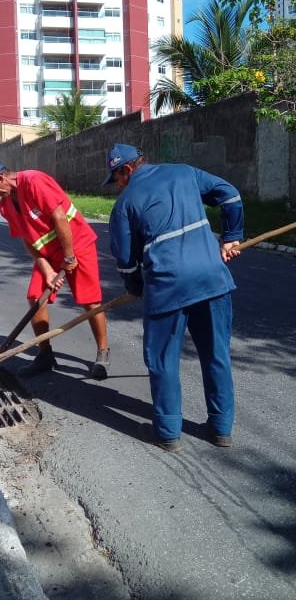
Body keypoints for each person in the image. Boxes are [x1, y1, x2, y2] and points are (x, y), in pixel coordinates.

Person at [104, 143, 244, 453]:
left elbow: (126, 261)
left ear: (126, 170)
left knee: (162, 359)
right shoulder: (184, 173)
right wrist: (233, 235)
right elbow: (230, 194)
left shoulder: (124, 205)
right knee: (216, 353)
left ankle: (168, 433)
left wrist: (135, 286)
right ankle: (221, 429)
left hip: (167, 287)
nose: (117, 186)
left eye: (116, 179)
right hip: (211, 278)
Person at [0, 160, 110, 379]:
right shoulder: (5, 205)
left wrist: (69, 257)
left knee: (89, 300)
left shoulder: (34, 181)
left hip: (77, 244)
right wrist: (46, 268)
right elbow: (27, 239)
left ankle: (103, 352)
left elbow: (60, 218)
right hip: (49, 254)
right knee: (36, 297)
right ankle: (45, 355)